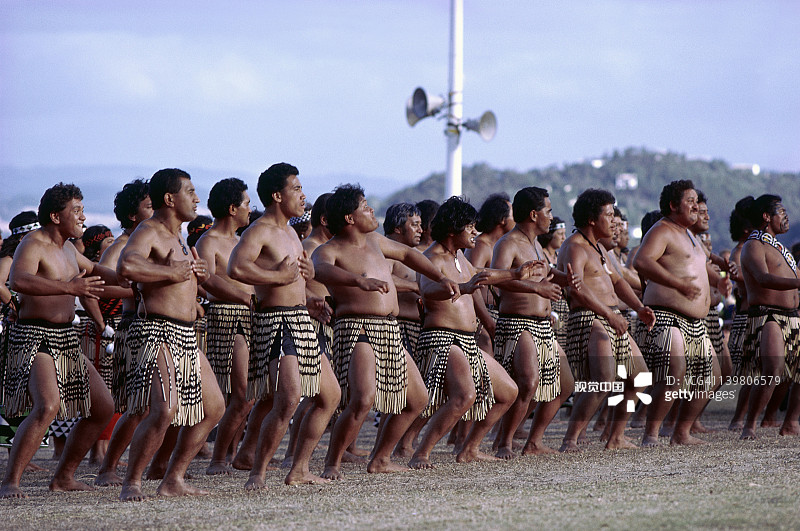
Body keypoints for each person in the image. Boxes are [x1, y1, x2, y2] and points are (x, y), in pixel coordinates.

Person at [312, 184, 459, 479]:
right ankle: (332, 463)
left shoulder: (376, 241)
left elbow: (409, 255)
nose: (371, 210)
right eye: (365, 206)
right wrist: (357, 281)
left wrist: (440, 276)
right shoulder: (329, 249)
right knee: (363, 398)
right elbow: (321, 270)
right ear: (349, 217)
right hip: (358, 328)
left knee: (417, 399)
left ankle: (380, 458)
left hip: (389, 329)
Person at [228, 163, 340, 488]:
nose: (303, 195)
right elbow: (237, 267)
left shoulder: (291, 231)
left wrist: (310, 299)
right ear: (277, 195)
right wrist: (277, 276)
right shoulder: (259, 230)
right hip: (277, 323)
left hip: (301, 320)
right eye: (296, 188)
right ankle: (257, 473)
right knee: (288, 399)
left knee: (329, 396)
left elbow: (294, 278)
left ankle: (300, 469)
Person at [0, 183, 116, 499]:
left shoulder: (68, 248)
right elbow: (18, 280)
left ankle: (63, 477)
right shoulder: (32, 243)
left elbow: (97, 271)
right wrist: (69, 289)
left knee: (103, 406)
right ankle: (10, 482)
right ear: (55, 215)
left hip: (65, 338)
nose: (82, 216)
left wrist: (144, 278)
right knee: (47, 405)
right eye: (76, 210)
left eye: (82, 209)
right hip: (34, 336)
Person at [116, 169, 224, 501]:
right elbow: (127, 267)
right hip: (156, 331)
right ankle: (131, 483)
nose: (196, 198)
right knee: (163, 410)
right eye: (190, 192)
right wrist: (173, 271)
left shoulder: (178, 237)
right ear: (170, 198)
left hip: (185, 334)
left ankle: (172, 478)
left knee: (214, 407)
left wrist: (196, 279)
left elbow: (175, 280)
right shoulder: (149, 230)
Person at [409, 196, 523, 468]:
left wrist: (516, 274)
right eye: (470, 226)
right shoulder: (431, 258)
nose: (475, 231)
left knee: (508, 391)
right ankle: (421, 452)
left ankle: (469, 449)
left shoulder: (460, 257)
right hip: (441, 338)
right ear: (452, 230)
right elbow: (428, 290)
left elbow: (482, 274)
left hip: (467, 340)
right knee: (464, 395)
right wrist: (463, 287)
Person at [557, 189, 653, 451]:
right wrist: (609, 314)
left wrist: (640, 307)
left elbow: (618, 282)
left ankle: (616, 437)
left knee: (641, 378)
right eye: (608, 215)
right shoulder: (574, 248)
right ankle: (571, 439)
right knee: (603, 380)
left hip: (612, 317)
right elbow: (576, 288)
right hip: (591, 318)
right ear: (591, 219)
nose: (613, 221)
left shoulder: (599, 248)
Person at [491, 187, 578, 457]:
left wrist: (565, 278)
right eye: (548, 211)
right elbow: (499, 280)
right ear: (533, 214)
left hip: (542, 326)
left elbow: (547, 272)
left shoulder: (536, 244)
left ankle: (533, 442)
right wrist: (537, 289)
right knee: (528, 382)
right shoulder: (508, 244)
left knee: (564, 385)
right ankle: (503, 442)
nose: (551, 217)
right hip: (517, 324)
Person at [633, 180, 719, 446]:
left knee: (712, 376)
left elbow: (703, 268)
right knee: (674, 372)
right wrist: (677, 284)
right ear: (673, 205)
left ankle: (682, 432)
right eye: (690, 201)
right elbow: (641, 261)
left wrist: (722, 278)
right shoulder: (662, 230)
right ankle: (651, 434)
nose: (696, 206)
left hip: (696, 321)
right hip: (668, 316)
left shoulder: (690, 234)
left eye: (697, 201)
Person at [93, 179, 153, 486]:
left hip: (154, 328)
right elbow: (99, 289)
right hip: (128, 328)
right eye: (148, 206)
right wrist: (136, 290)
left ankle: (153, 465)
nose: (154, 210)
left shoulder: (154, 240)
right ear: (132, 215)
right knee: (135, 406)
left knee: (153, 407)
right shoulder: (119, 247)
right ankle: (108, 468)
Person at [195, 178, 255, 475]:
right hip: (228, 318)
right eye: (246, 204)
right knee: (241, 391)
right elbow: (206, 280)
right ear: (232, 208)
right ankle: (218, 459)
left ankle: (232, 454)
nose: (250, 209)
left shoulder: (243, 241)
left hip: (252, 316)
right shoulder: (208, 241)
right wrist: (244, 296)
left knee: (248, 393)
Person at [739, 194, 800, 439]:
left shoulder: (778, 247)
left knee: (797, 371)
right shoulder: (753, 245)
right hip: (769, 316)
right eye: (781, 212)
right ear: (767, 216)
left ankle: (790, 423)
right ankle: (749, 426)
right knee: (772, 369)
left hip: (792, 316)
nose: (786, 216)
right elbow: (763, 278)